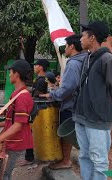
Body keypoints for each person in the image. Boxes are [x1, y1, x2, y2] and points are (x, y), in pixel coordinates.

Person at [73, 21, 112, 180]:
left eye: (83, 36)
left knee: (99, 160)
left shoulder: (107, 60)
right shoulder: (87, 58)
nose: (80, 39)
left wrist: (97, 102)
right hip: (81, 116)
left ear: (92, 37)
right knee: (84, 156)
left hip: (97, 119)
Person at [39, 34, 86, 170]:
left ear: (72, 46)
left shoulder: (73, 63)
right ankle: (66, 159)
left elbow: (69, 87)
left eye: (65, 46)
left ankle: (65, 161)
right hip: (79, 104)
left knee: (66, 134)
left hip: (71, 104)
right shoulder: (84, 60)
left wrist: (53, 94)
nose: (64, 49)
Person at [0, 60, 34, 180]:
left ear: (17, 74)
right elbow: (13, 120)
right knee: (1, 173)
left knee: (4, 175)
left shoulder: (22, 96)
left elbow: (18, 125)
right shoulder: (17, 93)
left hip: (16, 142)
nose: (9, 75)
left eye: (10, 72)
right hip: (12, 140)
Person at [16, 59, 50, 166]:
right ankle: (29, 156)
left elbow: (37, 95)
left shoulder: (41, 81)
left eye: (36, 65)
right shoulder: (41, 79)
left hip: (37, 110)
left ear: (41, 67)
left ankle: (29, 157)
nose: (34, 67)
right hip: (37, 109)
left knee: (29, 133)